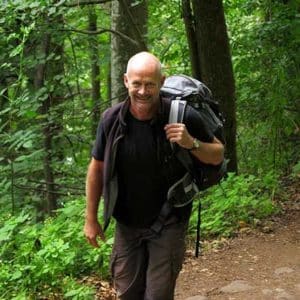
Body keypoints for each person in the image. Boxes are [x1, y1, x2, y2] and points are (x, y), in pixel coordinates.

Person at [84, 52, 224, 300]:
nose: (142, 91)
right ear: (126, 81)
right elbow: (96, 168)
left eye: (150, 83)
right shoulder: (111, 120)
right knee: (127, 293)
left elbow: (217, 155)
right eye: (137, 83)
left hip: (169, 221)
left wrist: (191, 143)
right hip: (126, 224)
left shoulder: (183, 116)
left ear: (162, 81)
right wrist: (91, 218)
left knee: (157, 295)